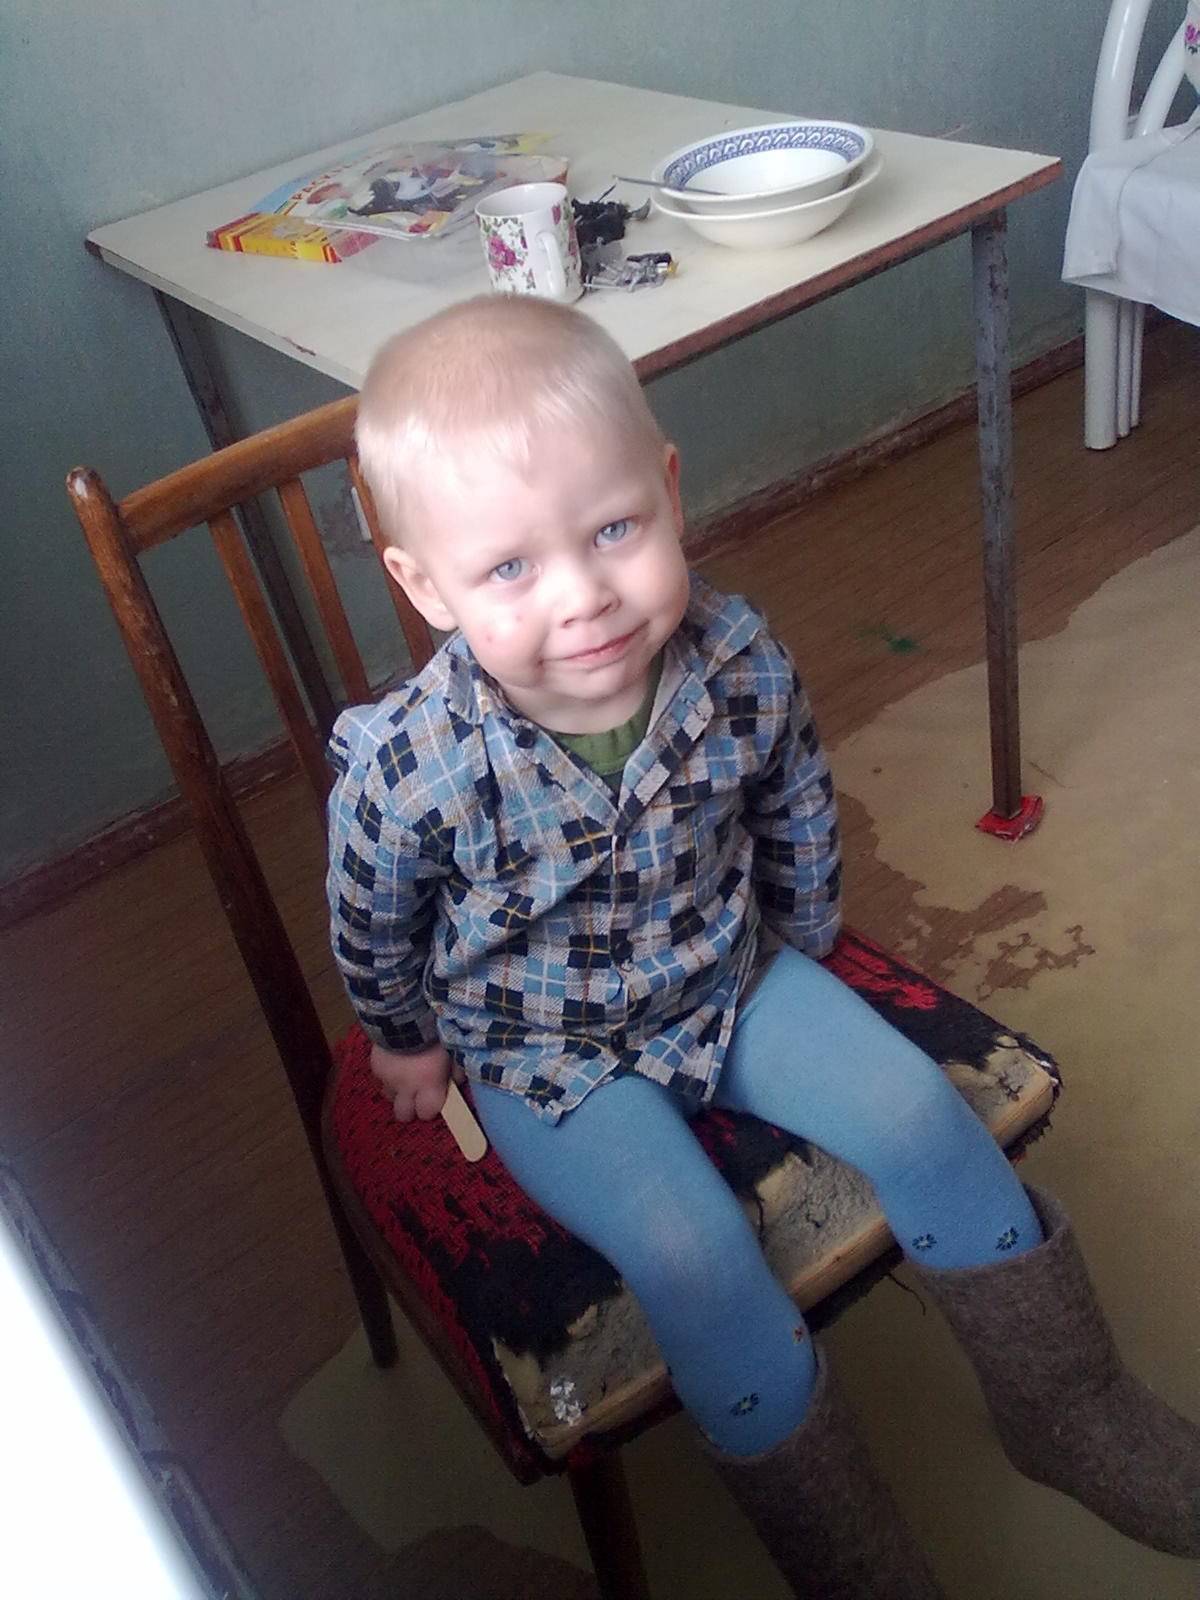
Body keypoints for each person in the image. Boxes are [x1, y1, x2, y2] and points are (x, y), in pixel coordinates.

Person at [327, 294, 1199, 1597]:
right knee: (693, 1258)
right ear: (424, 586)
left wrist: (805, 927)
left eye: (614, 529)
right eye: (508, 568)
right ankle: (851, 1560)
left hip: (722, 972)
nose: (585, 597)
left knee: (924, 1114)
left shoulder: (734, 657)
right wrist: (402, 1038)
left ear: (669, 489)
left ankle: (1071, 1406)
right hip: (546, 1054)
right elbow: (370, 918)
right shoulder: (411, 768)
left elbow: (793, 790)